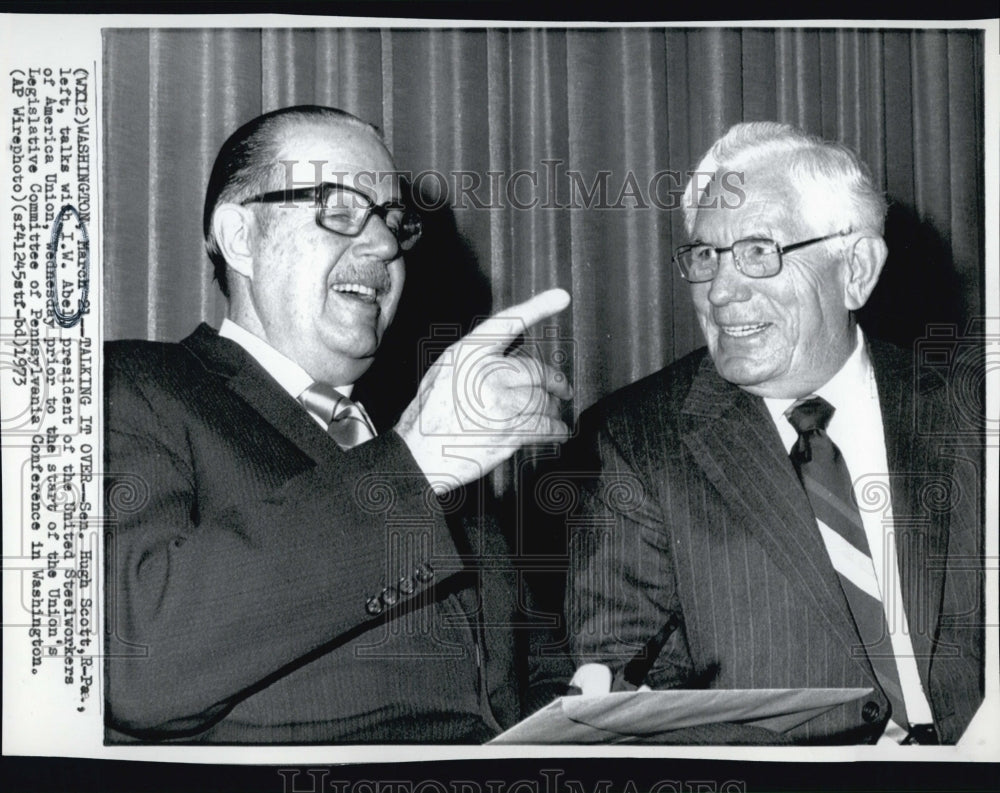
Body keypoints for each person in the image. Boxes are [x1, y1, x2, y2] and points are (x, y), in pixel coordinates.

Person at [104, 105, 573, 743]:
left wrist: (586, 706)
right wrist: (414, 466)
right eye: (339, 207)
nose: (383, 245)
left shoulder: (421, 423)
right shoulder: (133, 386)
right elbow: (136, 664)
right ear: (241, 237)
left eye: (392, 221)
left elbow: (516, 665)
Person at [565, 122, 983, 744]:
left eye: (760, 251)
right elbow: (623, 693)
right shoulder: (634, 440)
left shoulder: (970, 411)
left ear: (856, 269)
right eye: (706, 255)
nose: (722, 291)